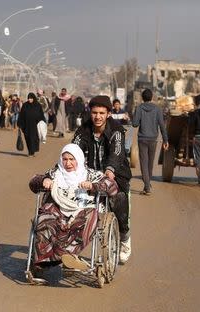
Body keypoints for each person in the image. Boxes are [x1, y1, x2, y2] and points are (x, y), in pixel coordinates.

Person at [29, 143, 118, 271]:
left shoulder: (90, 174)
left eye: (72, 159)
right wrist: (43, 181)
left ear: (79, 159)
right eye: (65, 159)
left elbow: (113, 187)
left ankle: (68, 255)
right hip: (58, 211)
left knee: (90, 217)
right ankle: (43, 263)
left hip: (82, 211)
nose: (68, 163)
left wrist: (93, 186)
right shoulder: (55, 173)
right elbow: (33, 182)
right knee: (43, 218)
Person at [72, 95, 132, 263]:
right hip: (90, 176)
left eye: (101, 113)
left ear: (108, 114)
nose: (97, 117)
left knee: (118, 201)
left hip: (116, 176)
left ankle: (125, 238)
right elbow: (73, 150)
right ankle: (72, 247)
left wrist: (110, 169)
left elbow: (117, 153)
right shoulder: (83, 130)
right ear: (90, 113)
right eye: (94, 113)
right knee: (74, 204)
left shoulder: (117, 130)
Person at [132, 89, 168, 195]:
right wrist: (165, 140)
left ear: (142, 98)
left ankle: (147, 187)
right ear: (152, 97)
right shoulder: (157, 109)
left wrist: (136, 116)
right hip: (153, 139)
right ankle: (147, 185)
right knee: (150, 163)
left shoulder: (139, 108)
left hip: (142, 139)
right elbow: (162, 125)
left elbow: (134, 124)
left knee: (144, 163)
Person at [18, 93, 45, 157]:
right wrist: (20, 124)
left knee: (34, 139)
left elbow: (41, 115)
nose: (29, 99)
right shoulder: (25, 105)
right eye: (29, 98)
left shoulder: (38, 105)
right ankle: (30, 151)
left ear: (34, 98)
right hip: (26, 126)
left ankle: (32, 152)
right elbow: (21, 115)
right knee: (28, 138)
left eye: (31, 98)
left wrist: (42, 122)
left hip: (35, 126)